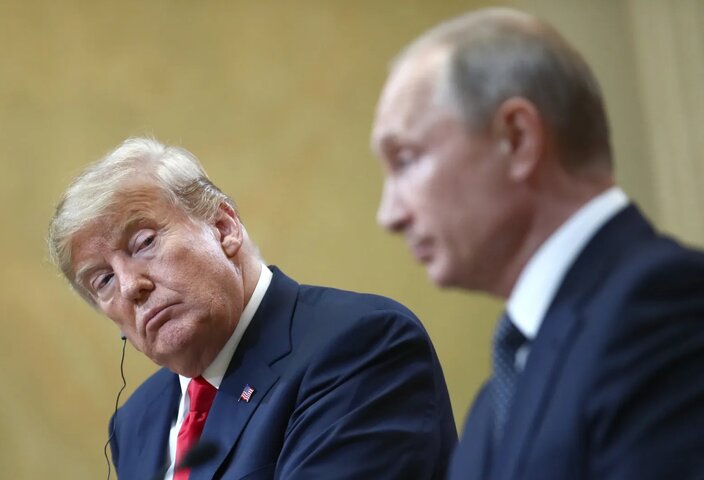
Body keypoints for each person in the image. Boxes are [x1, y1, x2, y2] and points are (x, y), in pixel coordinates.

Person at [371, 7, 704, 480]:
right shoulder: (494, 403)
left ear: (517, 139)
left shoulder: (664, 306)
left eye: (406, 160)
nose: (390, 215)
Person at [48, 137, 457, 480]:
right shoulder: (137, 421)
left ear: (223, 228)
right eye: (103, 280)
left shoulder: (361, 346)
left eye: (144, 243)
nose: (130, 286)